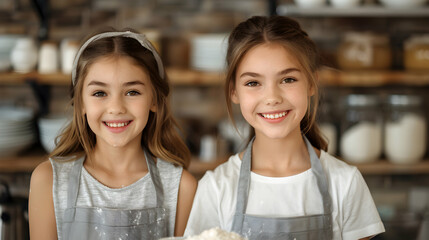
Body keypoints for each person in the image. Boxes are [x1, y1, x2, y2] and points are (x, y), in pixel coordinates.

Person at [184, 16, 385, 240]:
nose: (272, 98)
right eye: (253, 83)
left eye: (288, 79)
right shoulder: (216, 188)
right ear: (234, 92)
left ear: (311, 83)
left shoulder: (345, 183)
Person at [29, 28, 197, 240]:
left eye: (132, 92)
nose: (116, 108)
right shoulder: (48, 180)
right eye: (100, 93)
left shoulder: (181, 187)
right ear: (81, 103)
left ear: (154, 100)